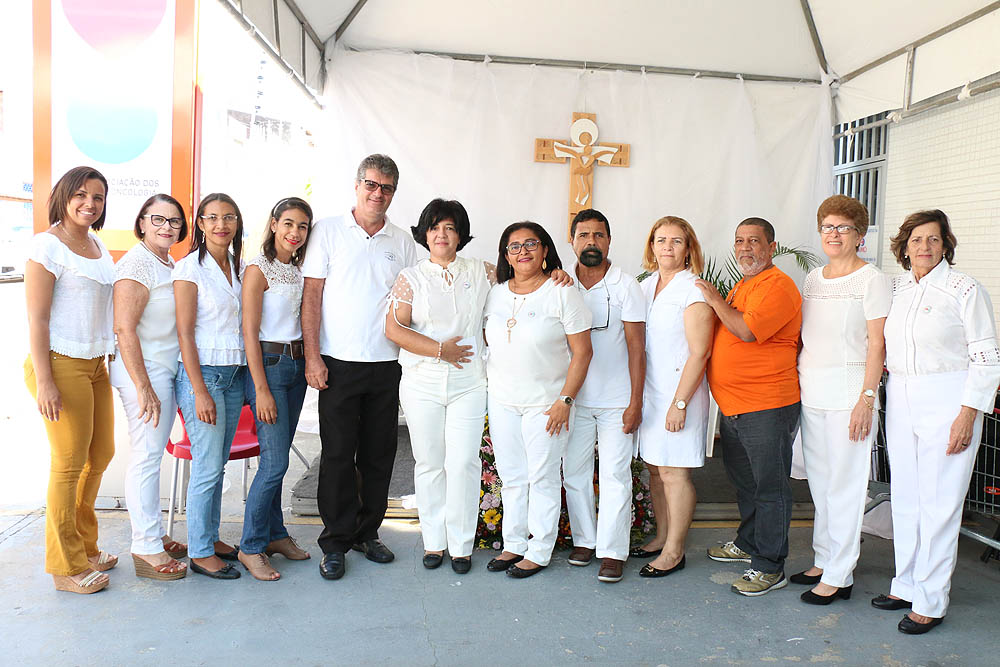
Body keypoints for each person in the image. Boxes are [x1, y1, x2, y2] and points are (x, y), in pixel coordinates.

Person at [872, 209, 1000, 634]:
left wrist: (968, 414)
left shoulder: (965, 288)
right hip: (901, 395)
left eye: (933, 239)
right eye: (916, 240)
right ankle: (906, 584)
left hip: (949, 396)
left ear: (945, 245)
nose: (924, 247)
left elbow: (986, 358)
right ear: (904, 247)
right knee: (907, 498)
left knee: (940, 502)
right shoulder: (897, 288)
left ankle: (930, 600)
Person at [302, 154, 418, 581]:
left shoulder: (402, 242)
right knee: (336, 456)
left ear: (394, 193)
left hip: (386, 364)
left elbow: (415, 297)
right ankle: (334, 542)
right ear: (356, 185)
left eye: (386, 187)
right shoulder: (327, 231)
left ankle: (367, 533)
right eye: (371, 184)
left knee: (378, 456)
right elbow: (312, 296)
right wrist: (313, 356)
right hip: (337, 363)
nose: (377, 193)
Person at [695, 217, 802, 597]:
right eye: (739, 241)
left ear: (771, 247)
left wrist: (713, 299)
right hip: (736, 406)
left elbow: (745, 330)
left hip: (767, 405)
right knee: (747, 484)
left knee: (770, 488)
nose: (745, 248)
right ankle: (749, 542)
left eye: (754, 241)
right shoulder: (745, 284)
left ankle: (770, 566)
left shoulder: (778, 285)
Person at [385, 199, 491, 574]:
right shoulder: (411, 277)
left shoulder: (482, 271)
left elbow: (526, 284)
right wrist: (440, 350)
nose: (441, 234)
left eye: (449, 227)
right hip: (422, 382)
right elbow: (394, 329)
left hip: (469, 382)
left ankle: (461, 545)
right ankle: (434, 542)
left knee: (463, 462)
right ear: (425, 234)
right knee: (430, 462)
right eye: (434, 227)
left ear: (460, 235)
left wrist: (556, 273)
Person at [794, 195, 891, 605]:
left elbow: (877, 344)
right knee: (820, 484)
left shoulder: (872, 280)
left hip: (850, 393)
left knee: (846, 486)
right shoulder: (813, 279)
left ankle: (840, 573)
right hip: (811, 391)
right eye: (827, 227)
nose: (833, 234)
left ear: (859, 234)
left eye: (843, 228)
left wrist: (866, 399)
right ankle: (824, 558)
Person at [24, 166, 116, 594]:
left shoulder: (97, 244)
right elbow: (37, 319)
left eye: (97, 197)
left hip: (95, 363)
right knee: (68, 464)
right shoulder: (47, 246)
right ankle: (65, 566)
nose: (89, 204)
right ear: (63, 196)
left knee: (101, 454)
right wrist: (45, 381)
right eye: (80, 195)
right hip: (60, 363)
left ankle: (85, 546)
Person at [483, 221, 593, 578]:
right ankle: (513, 544)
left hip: (547, 404)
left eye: (531, 244)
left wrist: (565, 400)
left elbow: (583, 353)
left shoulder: (562, 292)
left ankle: (540, 549)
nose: (523, 251)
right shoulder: (496, 294)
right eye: (514, 246)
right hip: (503, 400)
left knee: (542, 476)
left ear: (545, 250)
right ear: (506, 256)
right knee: (512, 476)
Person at [560, 209, 646, 583]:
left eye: (598, 235)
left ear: (609, 241)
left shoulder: (626, 285)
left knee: (615, 475)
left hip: (616, 400)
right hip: (573, 398)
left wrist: (635, 402)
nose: (591, 242)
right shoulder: (560, 282)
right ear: (572, 241)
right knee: (574, 472)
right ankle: (584, 541)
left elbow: (637, 349)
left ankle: (612, 552)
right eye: (583, 235)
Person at [110, 194, 190, 581]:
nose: (166, 227)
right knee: (146, 455)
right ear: (141, 222)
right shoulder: (136, 264)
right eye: (157, 219)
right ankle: (145, 546)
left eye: (174, 221)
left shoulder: (166, 262)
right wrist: (143, 386)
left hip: (163, 368)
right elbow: (124, 328)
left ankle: (154, 532)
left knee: (153, 455)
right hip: (144, 372)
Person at [238, 197, 314, 581]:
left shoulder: (299, 270)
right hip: (269, 368)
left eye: (302, 226)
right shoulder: (258, 269)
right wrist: (261, 389)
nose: (294, 232)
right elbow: (248, 333)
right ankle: (250, 546)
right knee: (274, 463)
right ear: (273, 224)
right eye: (288, 223)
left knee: (278, 457)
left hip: (297, 367)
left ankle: (276, 535)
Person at [634, 216, 714, 579]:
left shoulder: (693, 290)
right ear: (651, 246)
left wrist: (679, 403)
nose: (667, 246)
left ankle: (674, 550)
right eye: (661, 240)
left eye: (676, 241)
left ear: (688, 248)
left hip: (681, 394)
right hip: (651, 392)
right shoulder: (646, 286)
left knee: (674, 472)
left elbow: (700, 352)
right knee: (655, 469)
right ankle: (662, 537)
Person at [173, 192, 246, 580]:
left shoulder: (239, 266)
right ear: (200, 223)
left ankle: (211, 537)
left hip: (233, 374)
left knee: (217, 464)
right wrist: (199, 390)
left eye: (229, 217)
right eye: (213, 217)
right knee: (206, 466)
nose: (221, 225)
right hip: (203, 376)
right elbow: (184, 333)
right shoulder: (189, 269)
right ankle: (200, 552)